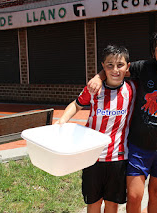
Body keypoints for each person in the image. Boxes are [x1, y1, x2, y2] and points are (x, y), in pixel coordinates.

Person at [88, 30, 157, 213]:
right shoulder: (144, 68)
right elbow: (117, 67)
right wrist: (99, 77)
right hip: (138, 147)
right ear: (153, 53)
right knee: (134, 196)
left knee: (156, 193)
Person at [56, 45, 136, 213]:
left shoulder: (132, 89)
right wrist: (61, 120)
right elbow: (76, 105)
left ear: (127, 67)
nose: (115, 70)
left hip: (118, 158)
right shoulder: (94, 89)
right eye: (109, 65)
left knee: (112, 204)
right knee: (93, 203)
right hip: (92, 157)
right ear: (103, 66)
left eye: (120, 65)